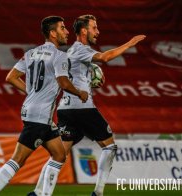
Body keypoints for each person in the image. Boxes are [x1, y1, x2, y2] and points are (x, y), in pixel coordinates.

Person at [32, 15, 146, 196]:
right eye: (94, 28)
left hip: (65, 108)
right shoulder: (80, 49)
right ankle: (98, 193)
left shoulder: (70, 52)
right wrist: (129, 44)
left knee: (59, 154)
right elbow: (105, 57)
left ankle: (38, 192)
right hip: (82, 108)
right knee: (109, 147)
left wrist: (87, 78)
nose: (97, 31)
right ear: (83, 31)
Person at [0, 16, 88, 196]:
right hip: (39, 116)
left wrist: (32, 93)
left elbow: (11, 77)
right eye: (63, 28)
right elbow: (63, 82)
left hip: (38, 114)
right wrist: (80, 93)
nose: (67, 31)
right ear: (53, 33)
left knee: (60, 155)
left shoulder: (31, 53)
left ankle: (41, 194)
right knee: (18, 160)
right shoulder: (60, 56)